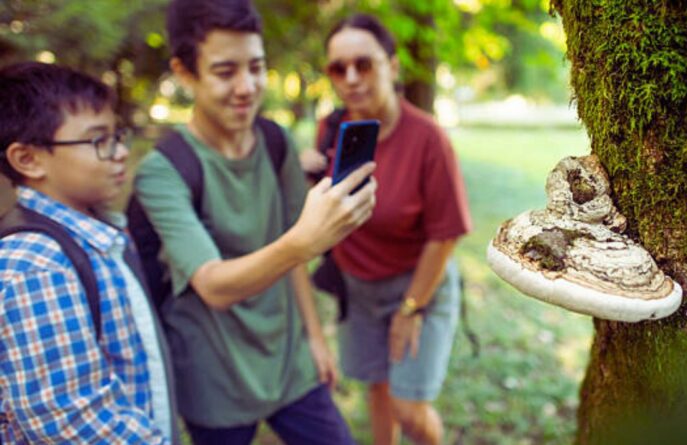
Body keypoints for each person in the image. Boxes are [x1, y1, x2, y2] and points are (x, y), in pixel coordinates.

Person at [131, 1, 376, 444]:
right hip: (214, 375)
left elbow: (290, 254)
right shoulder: (163, 171)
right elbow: (213, 285)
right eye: (225, 72)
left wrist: (315, 338)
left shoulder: (275, 141)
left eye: (257, 67)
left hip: (288, 361)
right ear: (185, 74)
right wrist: (304, 241)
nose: (246, 87)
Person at [304, 14, 472, 445]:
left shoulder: (428, 139)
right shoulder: (331, 129)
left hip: (418, 283)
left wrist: (410, 308)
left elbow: (445, 235)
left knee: (408, 408)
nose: (352, 78)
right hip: (358, 288)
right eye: (338, 68)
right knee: (377, 393)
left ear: (393, 67)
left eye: (365, 64)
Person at [0, 62, 177, 443]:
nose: (120, 153)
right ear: (28, 159)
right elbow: (71, 420)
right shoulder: (37, 266)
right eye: (99, 140)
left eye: (117, 136)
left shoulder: (98, 231)